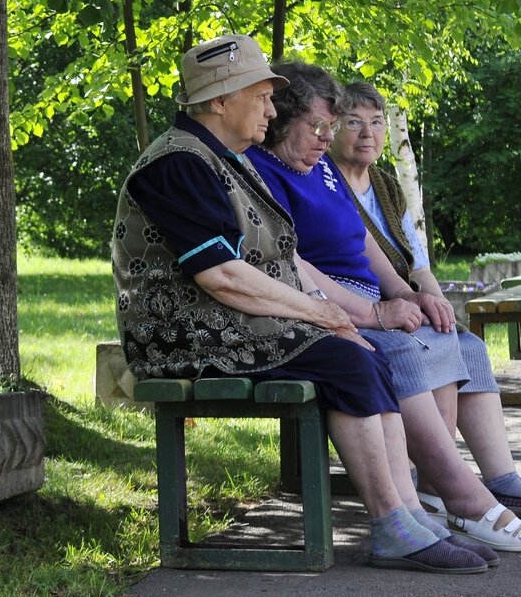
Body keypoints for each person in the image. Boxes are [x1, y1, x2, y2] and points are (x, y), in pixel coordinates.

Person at [112, 34, 490, 573]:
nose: (271, 108)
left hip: (232, 324)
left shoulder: (225, 159)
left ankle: (408, 513)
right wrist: (320, 313)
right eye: (262, 95)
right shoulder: (178, 163)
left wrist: (337, 315)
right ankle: (391, 524)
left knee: (359, 352)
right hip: (184, 336)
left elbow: (275, 262)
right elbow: (221, 275)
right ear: (221, 100)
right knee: (346, 357)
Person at [246, 61, 521, 553]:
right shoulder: (261, 171)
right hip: (326, 306)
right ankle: (459, 496)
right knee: (404, 349)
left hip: (368, 296)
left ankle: (457, 487)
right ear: (281, 120)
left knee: (457, 342)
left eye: (334, 125)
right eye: (322, 126)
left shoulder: (319, 166)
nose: (328, 137)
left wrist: (406, 293)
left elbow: (365, 243)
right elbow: (291, 262)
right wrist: (374, 313)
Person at [330, 80, 521, 517]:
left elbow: (417, 265)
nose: (368, 134)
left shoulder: (386, 184)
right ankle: (436, 481)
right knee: (431, 346)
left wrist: (437, 305)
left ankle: (502, 480)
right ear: (332, 127)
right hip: (364, 306)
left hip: (404, 303)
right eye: (354, 123)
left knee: (466, 344)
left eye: (377, 123)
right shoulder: (325, 180)